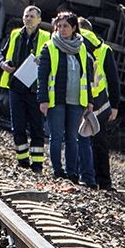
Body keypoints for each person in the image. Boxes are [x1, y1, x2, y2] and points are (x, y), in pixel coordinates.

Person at [37, 13, 94, 185]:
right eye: (59, 26)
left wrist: (90, 100)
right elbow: (42, 75)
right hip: (56, 100)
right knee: (56, 136)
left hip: (76, 100)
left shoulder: (82, 48)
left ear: (74, 28)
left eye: (65, 26)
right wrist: (43, 99)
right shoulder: (49, 47)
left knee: (72, 137)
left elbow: (87, 76)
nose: (61, 30)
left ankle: (72, 172)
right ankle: (57, 170)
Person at [0, 5, 50, 173]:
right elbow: (1, 54)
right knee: (18, 126)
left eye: (32, 16)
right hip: (16, 86)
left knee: (37, 127)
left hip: (35, 88)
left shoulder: (47, 38)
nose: (28, 18)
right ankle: (22, 161)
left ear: (39, 20)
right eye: (26, 15)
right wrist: (3, 64)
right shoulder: (15, 35)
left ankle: (37, 165)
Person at [82, 23, 117, 191]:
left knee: (80, 141)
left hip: (84, 101)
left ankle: (85, 177)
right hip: (100, 103)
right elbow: (113, 80)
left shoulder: (78, 44)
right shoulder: (104, 49)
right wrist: (115, 106)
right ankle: (103, 182)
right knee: (99, 144)